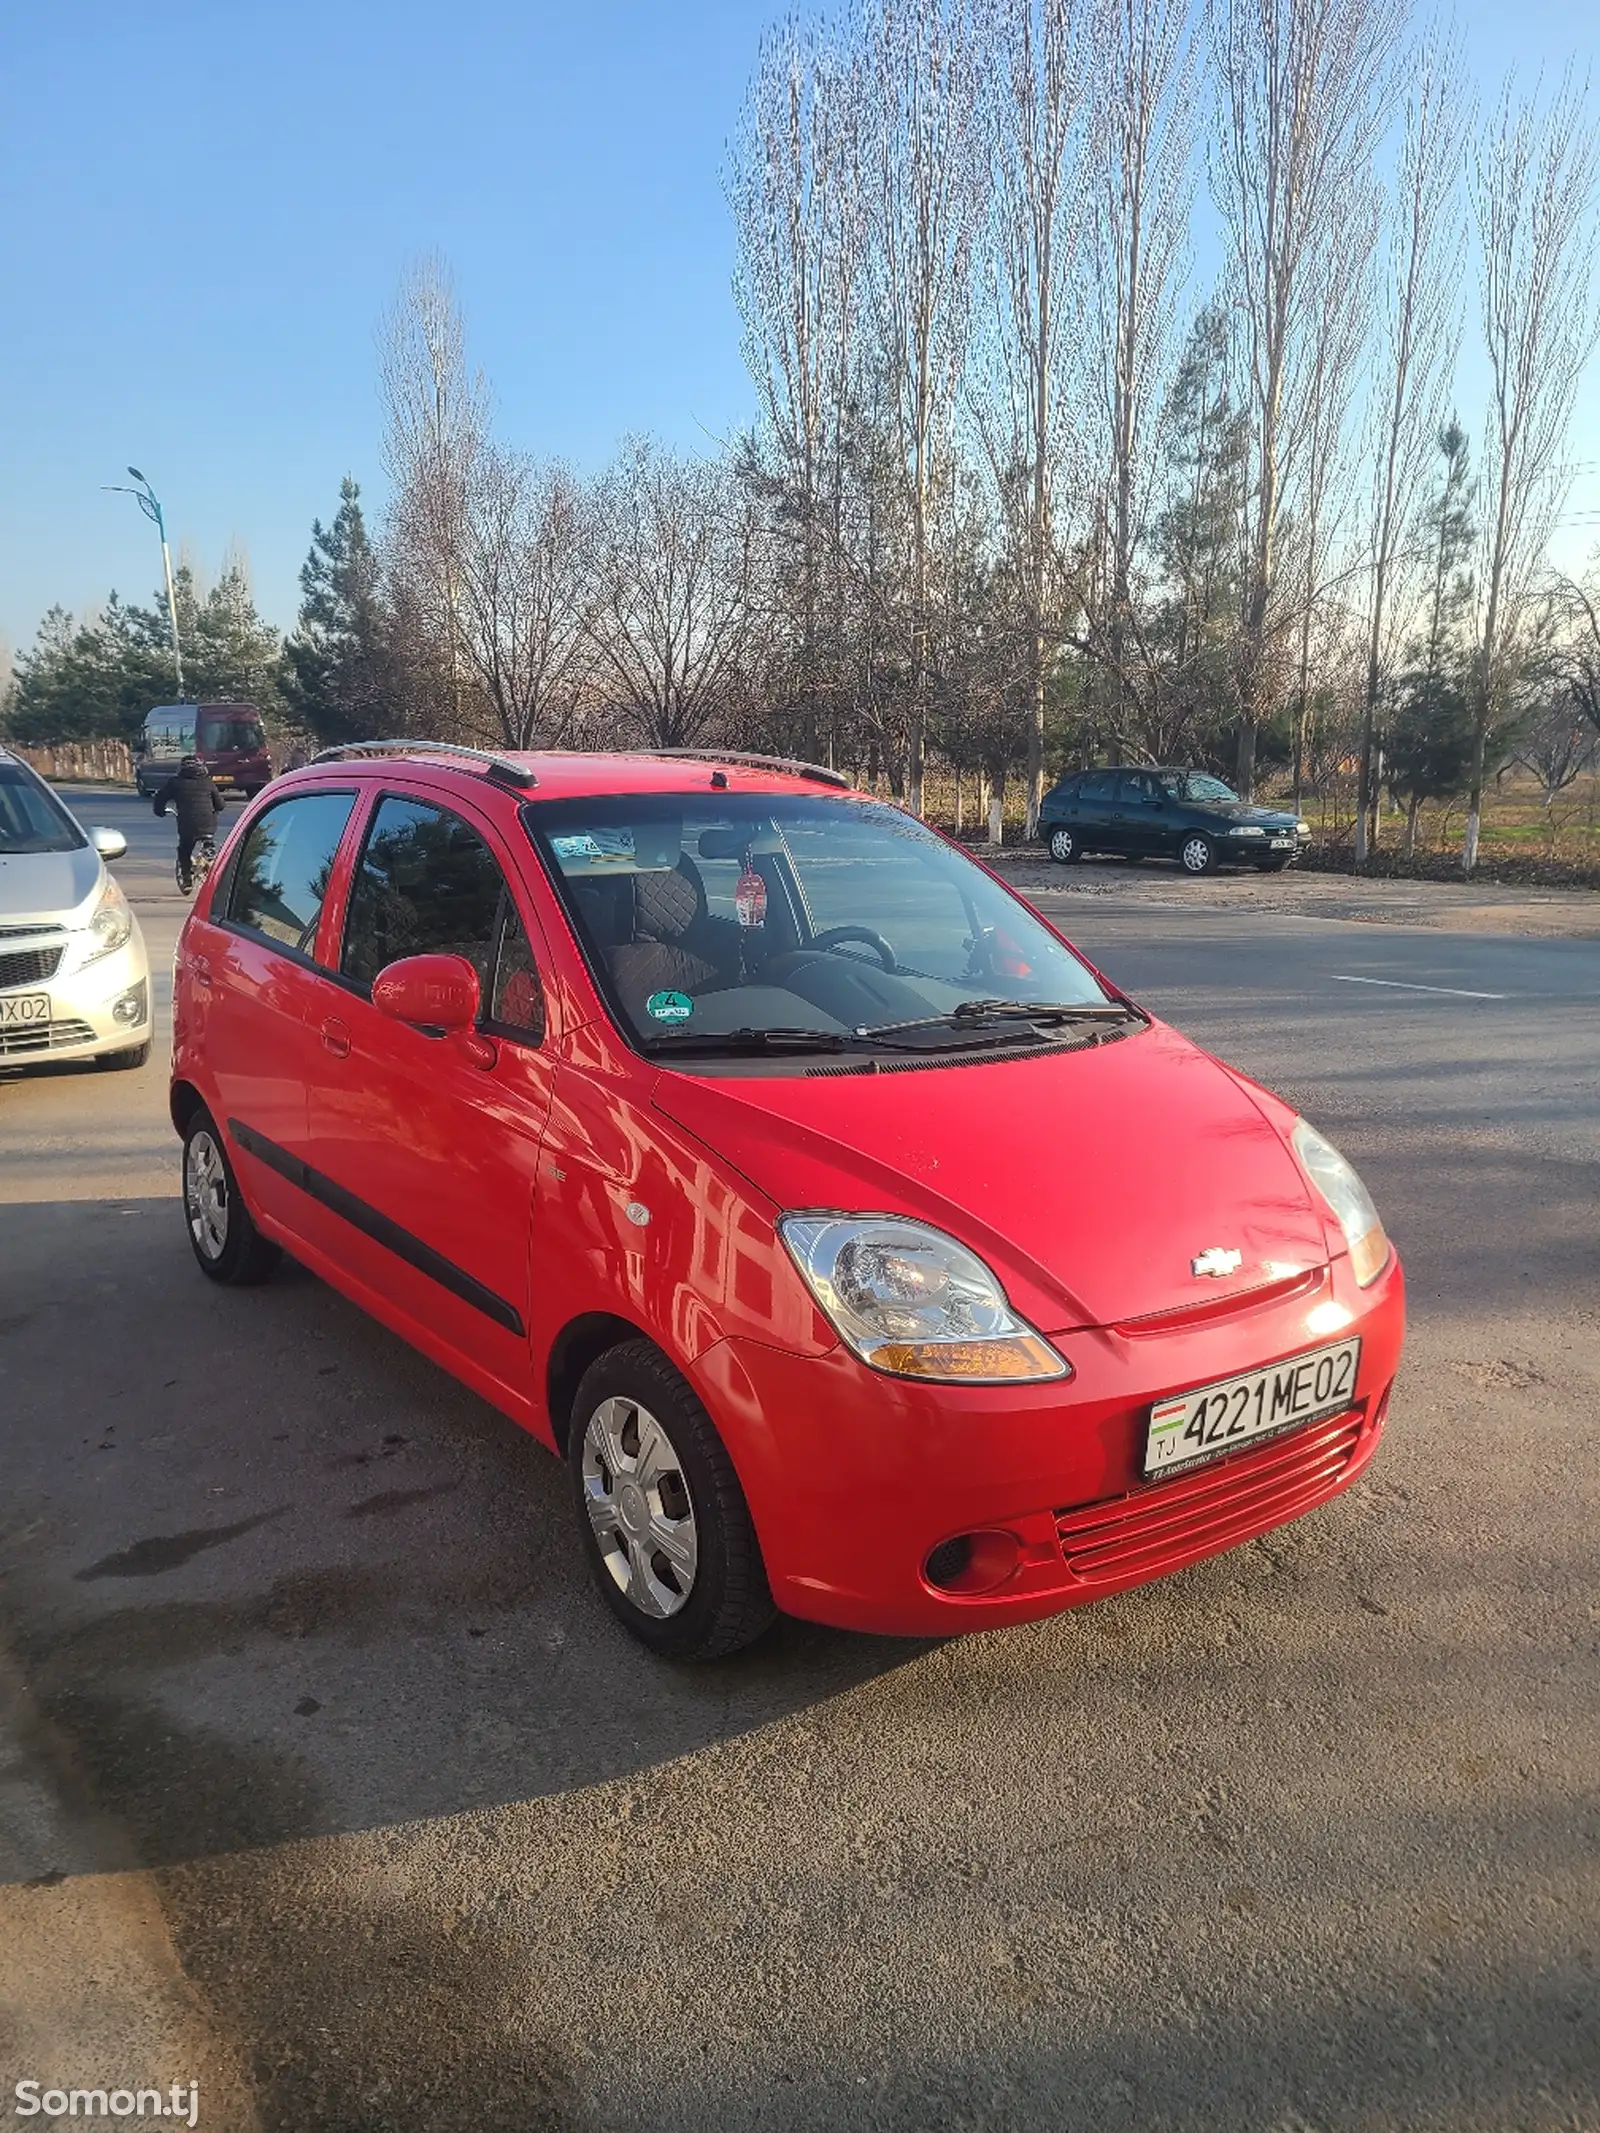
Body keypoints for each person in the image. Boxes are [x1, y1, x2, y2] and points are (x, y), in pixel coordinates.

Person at [153, 753, 224, 889]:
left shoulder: (175, 782)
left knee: (184, 849)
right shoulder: (208, 782)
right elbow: (220, 805)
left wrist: (160, 811)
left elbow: (160, 798)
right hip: (208, 823)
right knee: (208, 840)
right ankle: (209, 851)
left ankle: (186, 879)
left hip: (187, 824)